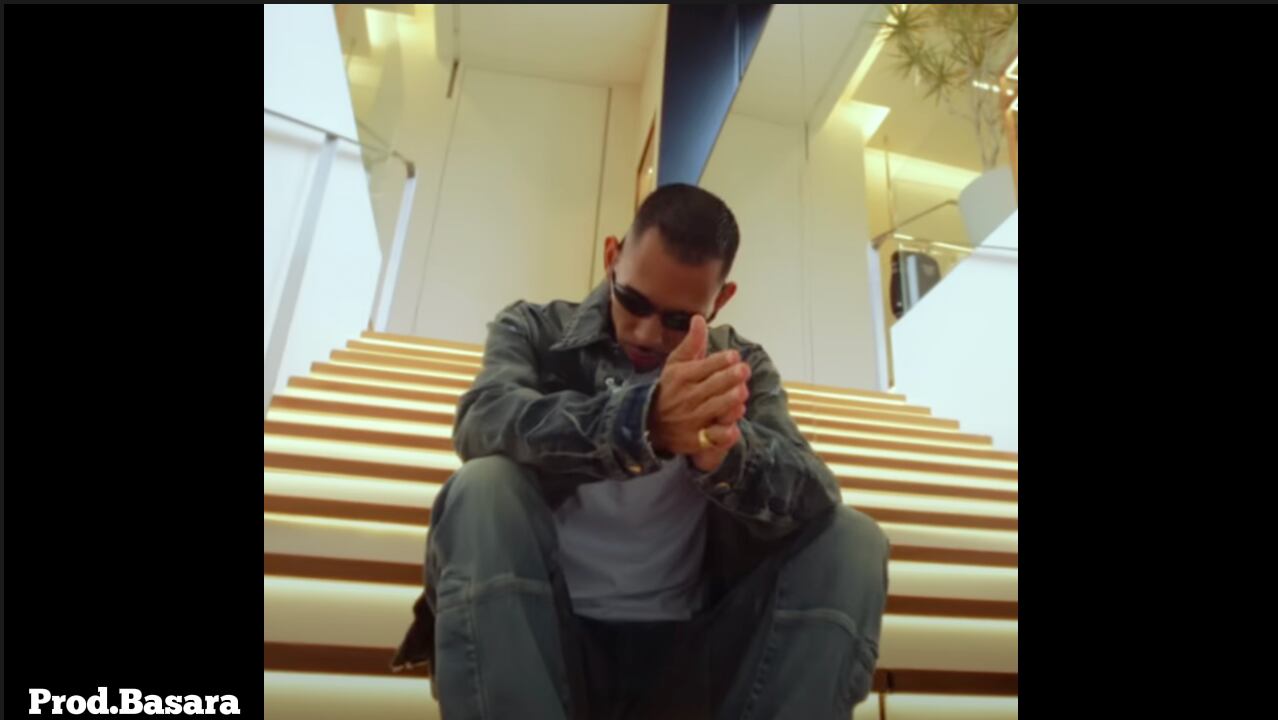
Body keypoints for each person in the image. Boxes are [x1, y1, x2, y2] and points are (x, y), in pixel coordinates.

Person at [392, 183, 890, 719]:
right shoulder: (536, 330)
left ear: (720, 301)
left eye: (679, 319)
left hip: (693, 657)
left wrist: (725, 456)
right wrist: (641, 424)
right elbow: (483, 421)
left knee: (853, 539)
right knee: (483, 487)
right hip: (540, 638)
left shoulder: (739, 367)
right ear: (612, 257)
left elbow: (816, 493)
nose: (648, 333)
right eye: (632, 301)